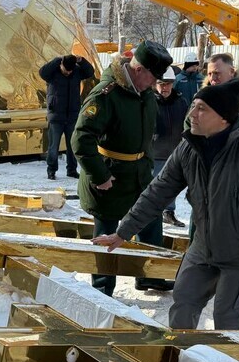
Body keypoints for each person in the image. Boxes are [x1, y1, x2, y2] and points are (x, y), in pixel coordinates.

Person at [92, 79, 239, 330]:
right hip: (203, 249)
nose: (192, 113)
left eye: (202, 108)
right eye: (193, 106)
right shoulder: (189, 148)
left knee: (229, 324)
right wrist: (123, 232)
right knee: (182, 308)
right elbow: (157, 193)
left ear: (223, 117)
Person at [72, 40, 174, 296]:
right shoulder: (107, 94)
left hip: (139, 175)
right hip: (110, 180)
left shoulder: (144, 92)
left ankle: (150, 276)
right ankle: (102, 288)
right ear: (138, 70)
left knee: (150, 222)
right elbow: (81, 138)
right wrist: (100, 175)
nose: (155, 84)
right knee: (107, 234)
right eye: (153, 77)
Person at [39, 53, 96, 179]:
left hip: (72, 116)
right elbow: (42, 72)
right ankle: (51, 170)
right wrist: (57, 59)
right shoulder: (52, 72)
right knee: (53, 147)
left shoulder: (76, 71)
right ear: (61, 65)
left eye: (70, 71)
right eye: (66, 70)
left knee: (72, 146)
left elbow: (90, 72)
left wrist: (81, 61)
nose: (68, 73)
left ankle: (71, 170)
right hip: (56, 116)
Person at [152, 66, 189, 227]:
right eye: (161, 84)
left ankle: (169, 211)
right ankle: (151, 213)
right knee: (152, 185)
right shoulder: (149, 101)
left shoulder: (180, 102)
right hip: (154, 152)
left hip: (174, 151)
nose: (165, 87)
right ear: (155, 84)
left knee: (171, 184)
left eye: (168, 84)